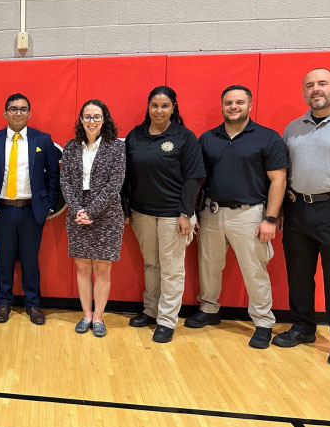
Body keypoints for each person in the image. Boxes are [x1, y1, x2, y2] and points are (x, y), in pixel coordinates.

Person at [187, 85, 287, 349]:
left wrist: (271, 219)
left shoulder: (267, 138)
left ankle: (264, 322)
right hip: (212, 211)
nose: (233, 107)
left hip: (251, 214)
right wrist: (193, 212)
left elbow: (278, 180)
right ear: (222, 106)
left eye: (239, 102)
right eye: (228, 102)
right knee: (208, 265)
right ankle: (209, 309)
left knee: (255, 270)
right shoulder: (208, 139)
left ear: (250, 105)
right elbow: (197, 179)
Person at [274, 68, 330, 366]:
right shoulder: (293, 128)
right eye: (310, 85)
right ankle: (303, 327)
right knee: (299, 274)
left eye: (322, 84)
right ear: (304, 92)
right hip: (298, 208)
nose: (316, 89)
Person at [123, 86, 205, 343]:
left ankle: (167, 320)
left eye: (165, 106)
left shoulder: (184, 137)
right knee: (151, 264)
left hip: (173, 215)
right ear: (148, 107)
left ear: (173, 108)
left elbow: (194, 177)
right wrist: (127, 209)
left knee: (171, 269)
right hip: (143, 212)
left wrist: (186, 213)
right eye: (155, 105)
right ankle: (151, 310)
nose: (159, 110)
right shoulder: (135, 136)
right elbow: (126, 177)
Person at [0, 93, 59, 325]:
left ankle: (33, 304)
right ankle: (4, 302)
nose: (18, 113)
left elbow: (53, 175)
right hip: (2, 211)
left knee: (31, 260)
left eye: (23, 109)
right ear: (5, 114)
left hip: (31, 211)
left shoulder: (42, 140)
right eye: (13, 109)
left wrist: (49, 204)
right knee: (4, 260)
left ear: (30, 114)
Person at [60, 100, 125, 337]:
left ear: (104, 119)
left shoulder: (116, 147)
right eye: (87, 117)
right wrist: (78, 209)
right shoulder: (70, 147)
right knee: (82, 266)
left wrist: (92, 211)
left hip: (107, 214)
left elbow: (114, 184)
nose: (92, 121)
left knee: (103, 267)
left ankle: (98, 318)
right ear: (80, 120)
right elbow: (65, 181)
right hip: (77, 213)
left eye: (96, 117)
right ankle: (86, 315)